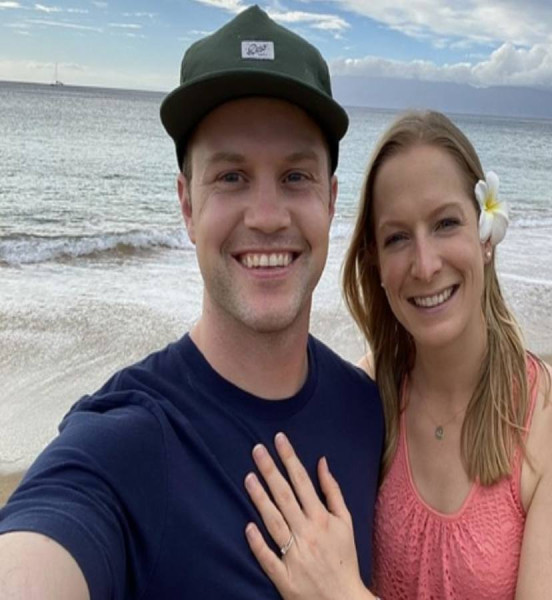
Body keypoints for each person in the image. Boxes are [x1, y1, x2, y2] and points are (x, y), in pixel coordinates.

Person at [0, 6, 383, 599]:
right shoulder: (128, 443)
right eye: (231, 177)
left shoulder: (368, 412)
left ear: (331, 200)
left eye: (295, 176)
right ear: (186, 205)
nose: (267, 216)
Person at [242, 110, 552, 599]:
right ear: (375, 263)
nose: (425, 264)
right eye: (397, 238)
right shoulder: (364, 401)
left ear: (485, 236)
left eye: (446, 224)